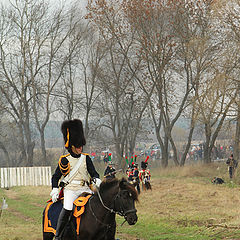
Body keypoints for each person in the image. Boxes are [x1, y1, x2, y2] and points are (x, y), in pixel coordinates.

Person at [50, 119, 101, 240]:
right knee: (67, 208)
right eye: (78, 146)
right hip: (70, 190)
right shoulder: (64, 159)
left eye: (81, 146)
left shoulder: (86, 158)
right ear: (72, 146)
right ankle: (58, 236)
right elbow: (56, 177)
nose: (80, 149)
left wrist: (96, 179)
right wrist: (55, 189)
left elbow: (93, 172)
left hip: (85, 189)